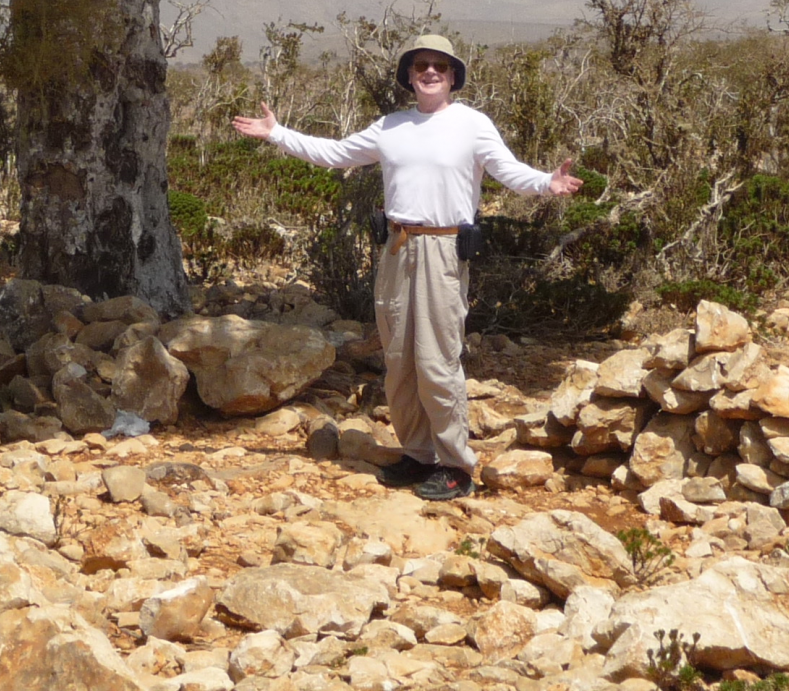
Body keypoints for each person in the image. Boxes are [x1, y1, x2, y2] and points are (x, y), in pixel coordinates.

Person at [231, 34, 581, 500]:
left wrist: (546, 183)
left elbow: (507, 170)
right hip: (396, 248)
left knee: (437, 360)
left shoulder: (472, 125)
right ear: (409, 77)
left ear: (453, 75)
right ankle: (418, 454)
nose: (430, 72)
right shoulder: (390, 126)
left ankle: (456, 465)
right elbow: (335, 154)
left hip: (443, 250)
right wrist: (278, 133)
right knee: (398, 360)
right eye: (421, 66)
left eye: (439, 65)